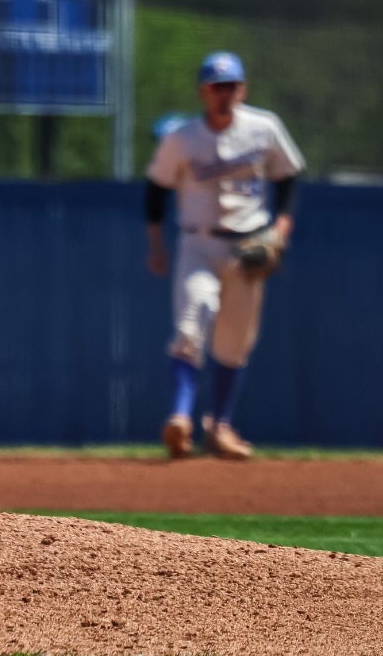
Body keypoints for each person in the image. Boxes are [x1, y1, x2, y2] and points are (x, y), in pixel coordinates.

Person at [144, 51, 303, 460]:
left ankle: (221, 426)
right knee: (192, 320)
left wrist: (280, 230)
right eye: (217, 87)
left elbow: (288, 175)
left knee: (234, 341)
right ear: (203, 92)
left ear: (242, 89)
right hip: (198, 242)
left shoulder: (263, 128)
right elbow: (156, 188)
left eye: (231, 85)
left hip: (248, 245)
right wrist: (155, 244)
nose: (225, 93)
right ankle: (180, 419)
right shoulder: (182, 137)